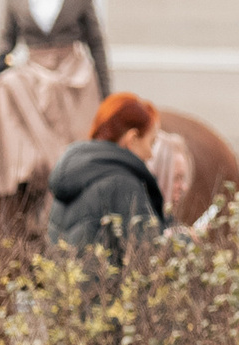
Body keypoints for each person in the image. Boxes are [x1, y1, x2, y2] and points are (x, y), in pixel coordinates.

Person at [0, 0, 111, 197]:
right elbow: (7, 35)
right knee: (3, 88)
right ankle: (22, 168)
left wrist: (106, 92)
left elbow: (96, 43)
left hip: (72, 69)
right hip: (33, 66)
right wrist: (0, 58)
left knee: (59, 93)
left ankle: (75, 172)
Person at [49, 93, 176, 264]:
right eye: (151, 143)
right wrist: (185, 242)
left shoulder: (72, 175)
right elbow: (150, 258)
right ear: (132, 139)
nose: (151, 154)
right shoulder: (124, 185)